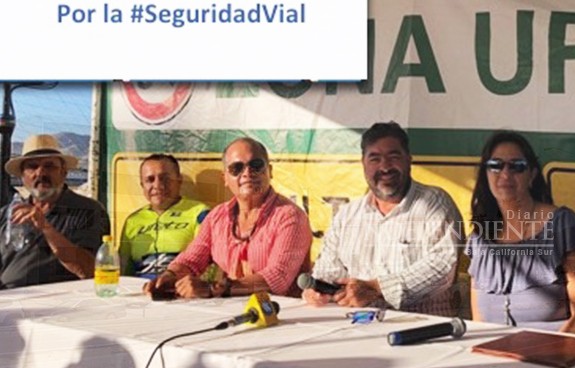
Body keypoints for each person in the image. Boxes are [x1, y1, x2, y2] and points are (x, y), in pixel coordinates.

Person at [303, 122, 463, 316]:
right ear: (363, 164)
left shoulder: (435, 203)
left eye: (393, 157)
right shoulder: (347, 215)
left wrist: (377, 288)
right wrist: (318, 289)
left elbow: (442, 269)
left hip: (424, 328)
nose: (385, 167)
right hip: (358, 325)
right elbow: (328, 270)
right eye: (375, 159)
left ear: (409, 160)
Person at [144, 137, 312, 298]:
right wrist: (168, 277)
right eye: (236, 168)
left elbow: (278, 277)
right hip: (232, 310)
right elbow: (191, 260)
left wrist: (214, 289)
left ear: (270, 171)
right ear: (225, 178)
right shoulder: (217, 217)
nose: (247, 173)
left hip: (284, 316)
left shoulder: (290, 216)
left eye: (256, 165)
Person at [466, 131, 575, 332]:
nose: (505, 175)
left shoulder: (563, 225)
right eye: (495, 165)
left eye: (517, 166)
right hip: (494, 354)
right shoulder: (480, 236)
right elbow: (478, 322)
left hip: (553, 353)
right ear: (485, 174)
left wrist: (548, 356)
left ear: (532, 175)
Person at [0, 134, 109, 288]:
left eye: (49, 166)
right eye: (32, 166)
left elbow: (89, 271)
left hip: (61, 303)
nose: (41, 173)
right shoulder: (7, 214)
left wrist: (45, 227)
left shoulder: (88, 211)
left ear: (63, 172)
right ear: (22, 176)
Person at [119, 154, 209, 279]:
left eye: (165, 179)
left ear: (179, 180)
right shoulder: (133, 220)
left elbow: (208, 261)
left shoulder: (199, 213)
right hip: (140, 290)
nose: (158, 185)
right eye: (150, 180)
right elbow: (123, 267)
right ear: (142, 185)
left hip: (183, 289)